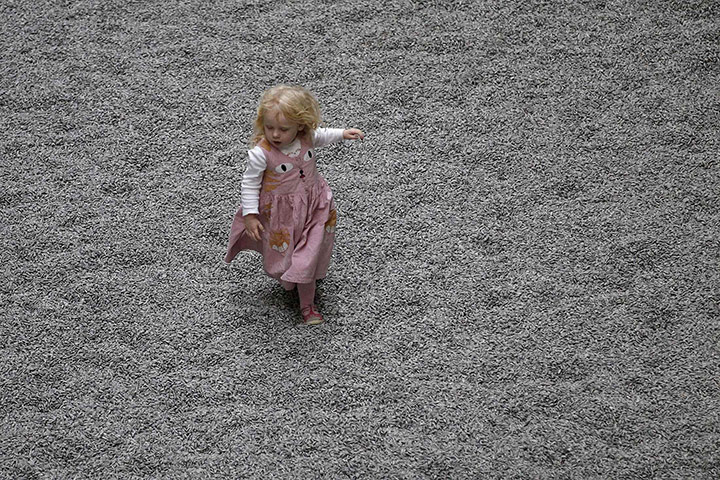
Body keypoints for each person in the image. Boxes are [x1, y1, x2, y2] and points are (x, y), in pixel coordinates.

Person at [224, 85, 364, 325]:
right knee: (287, 255)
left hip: (315, 205)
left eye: (283, 129)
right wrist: (250, 215)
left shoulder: (305, 137)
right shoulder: (261, 153)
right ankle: (295, 278)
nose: (275, 134)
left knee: (307, 255)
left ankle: (307, 305)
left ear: (300, 125)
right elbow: (249, 183)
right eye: (269, 127)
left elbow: (321, 134)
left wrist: (343, 133)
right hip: (284, 214)